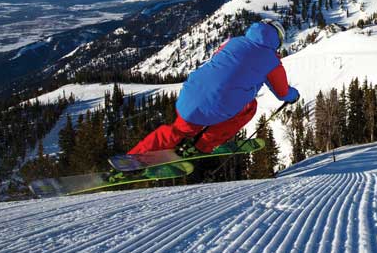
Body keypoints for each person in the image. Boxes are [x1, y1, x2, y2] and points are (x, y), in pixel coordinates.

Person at [128, 18, 300, 157]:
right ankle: (204, 145)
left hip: (190, 95)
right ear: (277, 40)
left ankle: (135, 156)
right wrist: (294, 96)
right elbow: (283, 93)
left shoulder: (233, 42)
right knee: (249, 107)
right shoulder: (272, 62)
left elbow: (221, 64)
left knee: (179, 129)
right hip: (221, 104)